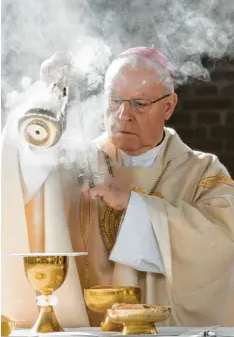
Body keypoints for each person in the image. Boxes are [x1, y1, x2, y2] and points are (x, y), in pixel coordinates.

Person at [2, 47, 234, 329]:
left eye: (139, 103)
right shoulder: (77, 162)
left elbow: (222, 240)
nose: (124, 115)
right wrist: (47, 98)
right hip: (86, 328)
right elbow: (26, 182)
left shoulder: (202, 172)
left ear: (169, 106)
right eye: (115, 101)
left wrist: (136, 206)